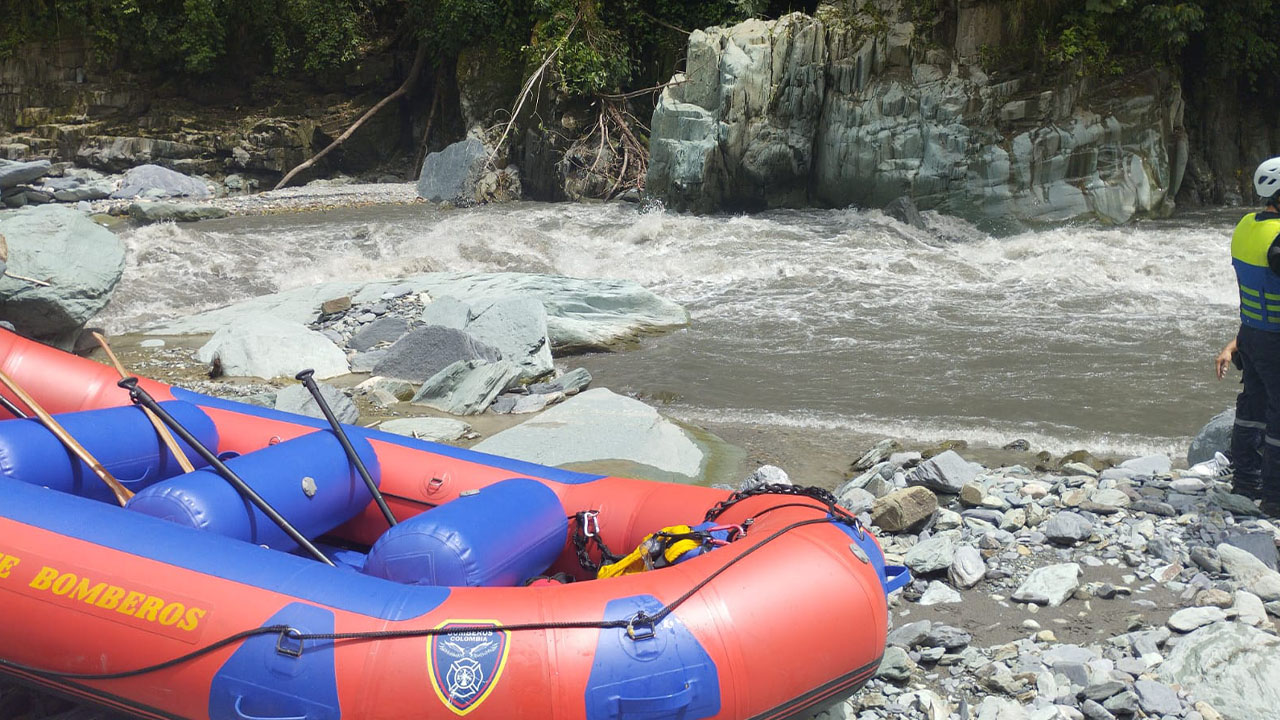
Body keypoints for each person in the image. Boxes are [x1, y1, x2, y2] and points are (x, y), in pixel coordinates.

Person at [1216, 156, 1280, 515]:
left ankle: (1245, 482)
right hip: (1275, 340)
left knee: (1253, 407)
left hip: (1251, 335)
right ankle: (1275, 497)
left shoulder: (1244, 226)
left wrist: (1234, 344)